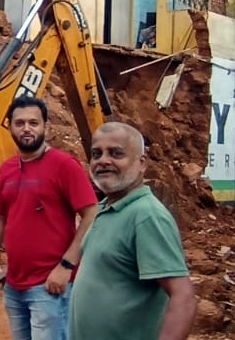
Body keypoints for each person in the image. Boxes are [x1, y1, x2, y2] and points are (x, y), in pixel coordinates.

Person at [0, 96, 98, 340]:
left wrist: (66, 266)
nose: (27, 128)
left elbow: (91, 214)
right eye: (19, 123)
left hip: (50, 286)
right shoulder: (7, 168)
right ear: (9, 127)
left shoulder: (65, 165)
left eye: (34, 122)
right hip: (14, 286)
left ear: (46, 127)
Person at [68, 122, 197, 340]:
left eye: (116, 153)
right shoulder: (103, 210)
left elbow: (183, 296)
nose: (103, 161)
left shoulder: (146, 216)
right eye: (96, 154)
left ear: (142, 163)